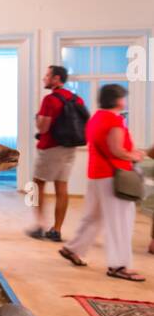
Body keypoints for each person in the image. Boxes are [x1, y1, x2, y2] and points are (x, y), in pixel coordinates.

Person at [59, 83, 145, 282]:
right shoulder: (115, 120)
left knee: (94, 216)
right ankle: (119, 265)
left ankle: (74, 249)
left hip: (97, 174)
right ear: (118, 100)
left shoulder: (96, 117)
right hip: (114, 175)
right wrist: (134, 155)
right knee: (121, 222)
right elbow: (116, 149)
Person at [28, 64, 83, 241]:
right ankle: (56, 230)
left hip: (50, 148)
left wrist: (38, 119)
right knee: (62, 187)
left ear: (56, 79)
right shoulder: (77, 99)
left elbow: (43, 128)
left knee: (37, 185)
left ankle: (40, 226)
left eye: (47, 75)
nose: (44, 78)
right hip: (70, 148)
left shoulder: (50, 100)